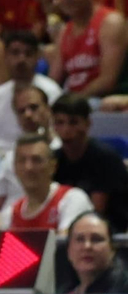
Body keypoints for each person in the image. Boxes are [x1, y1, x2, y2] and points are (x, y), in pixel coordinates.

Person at [0, 133, 93, 232]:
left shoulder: (72, 199)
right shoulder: (9, 216)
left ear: (52, 166)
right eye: (22, 160)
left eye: (36, 160)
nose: (28, 167)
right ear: (14, 168)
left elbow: (64, 248)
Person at [52, 94, 128, 231]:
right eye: (59, 122)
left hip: (109, 232)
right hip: (65, 229)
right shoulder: (53, 159)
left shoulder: (105, 159)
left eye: (73, 122)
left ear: (87, 123)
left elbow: (95, 212)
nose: (66, 130)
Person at [51, 0, 128, 101]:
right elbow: (53, 81)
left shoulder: (110, 22)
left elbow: (107, 81)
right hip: (74, 105)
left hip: (104, 103)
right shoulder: (64, 31)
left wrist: (73, 102)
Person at [0, 29, 60, 153]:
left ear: (38, 57)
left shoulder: (52, 92)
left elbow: (58, 139)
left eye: (28, 54)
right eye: (15, 53)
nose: (21, 59)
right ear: (5, 56)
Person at [59, 212, 128, 294]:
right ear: (68, 250)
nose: (87, 246)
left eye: (96, 239)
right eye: (80, 239)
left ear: (112, 249)